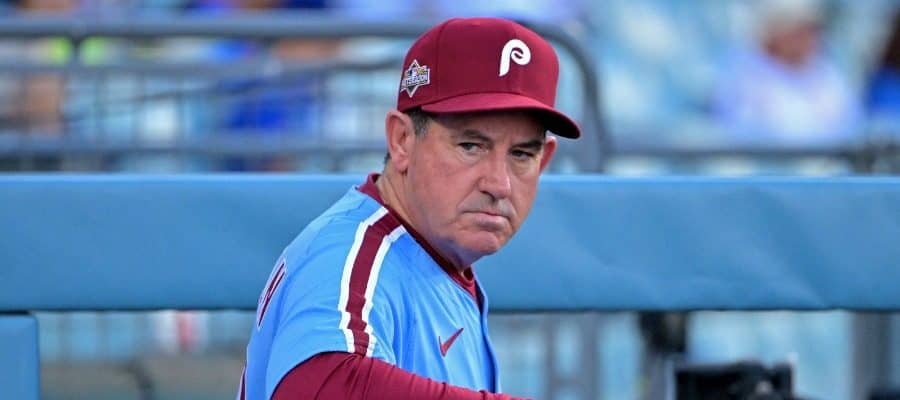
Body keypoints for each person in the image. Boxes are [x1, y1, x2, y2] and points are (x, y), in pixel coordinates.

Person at [238, 17, 580, 400]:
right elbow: (318, 386)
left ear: (544, 160)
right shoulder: (349, 255)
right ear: (402, 140)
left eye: (521, 154)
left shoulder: (437, 255)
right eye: (471, 146)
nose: (499, 184)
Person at [711, 0, 860, 145]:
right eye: (799, 31)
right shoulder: (743, 75)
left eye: (813, 30)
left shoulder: (828, 72)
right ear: (775, 32)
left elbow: (850, 127)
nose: (809, 38)